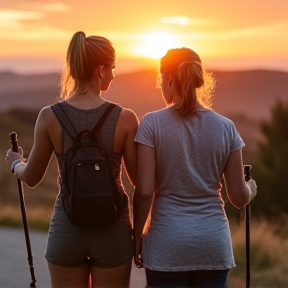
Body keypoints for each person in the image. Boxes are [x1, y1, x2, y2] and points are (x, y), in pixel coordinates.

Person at [5, 31, 138, 288]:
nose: (113, 74)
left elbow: (31, 177)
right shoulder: (126, 118)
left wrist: (15, 163)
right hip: (113, 233)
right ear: (100, 70)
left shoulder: (49, 117)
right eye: (112, 68)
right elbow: (140, 184)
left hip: (67, 230)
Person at [133, 48, 257, 288]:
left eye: (160, 80)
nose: (160, 86)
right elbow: (239, 198)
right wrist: (251, 187)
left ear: (169, 78)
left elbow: (145, 191)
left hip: (166, 245)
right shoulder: (226, 127)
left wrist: (137, 237)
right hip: (212, 244)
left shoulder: (151, 124)